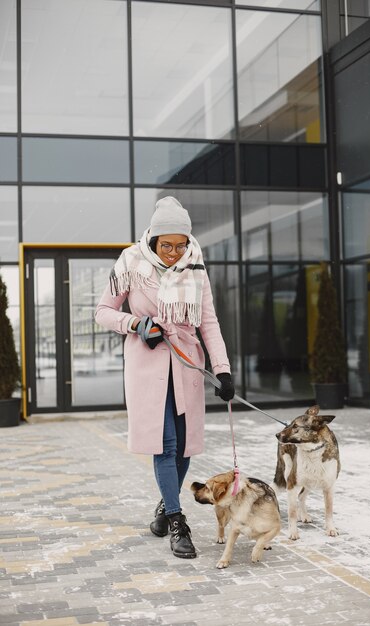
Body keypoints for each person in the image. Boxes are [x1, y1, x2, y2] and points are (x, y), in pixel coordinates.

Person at [95, 196, 234, 559]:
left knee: (185, 446)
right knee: (165, 444)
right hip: (148, 363)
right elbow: (103, 312)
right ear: (153, 240)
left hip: (187, 364)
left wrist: (222, 369)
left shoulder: (197, 267)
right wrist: (136, 324)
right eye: (166, 245)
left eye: (180, 244)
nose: (174, 252)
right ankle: (176, 520)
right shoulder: (130, 262)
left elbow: (209, 322)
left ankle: (163, 504)